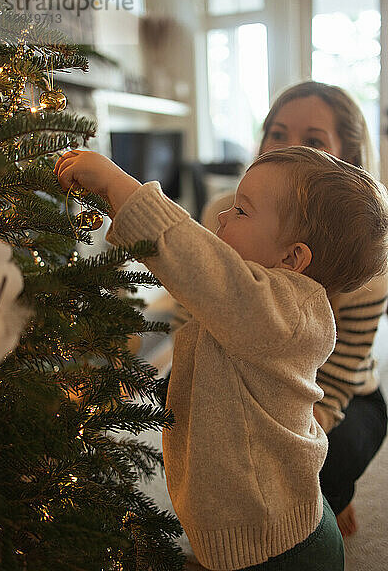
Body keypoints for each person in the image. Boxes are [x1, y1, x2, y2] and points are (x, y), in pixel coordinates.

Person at [55, 145, 388, 570]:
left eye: (241, 211)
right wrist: (112, 203)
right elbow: (189, 270)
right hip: (264, 529)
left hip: (278, 548)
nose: (220, 217)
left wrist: (119, 184)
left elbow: (197, 260)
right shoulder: (256, 306)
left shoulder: (283, 311)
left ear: (292, 258)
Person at [200, 81, 388, 538]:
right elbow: (195, 317)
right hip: (238, 374)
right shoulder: (221, 215)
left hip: (334, 392)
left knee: (322, 465)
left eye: (315, 141)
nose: (289, 150)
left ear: (349, 159)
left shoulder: (368, 257)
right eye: (277, 133)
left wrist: (287, 441)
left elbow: (341, 375)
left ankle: (331, 501)